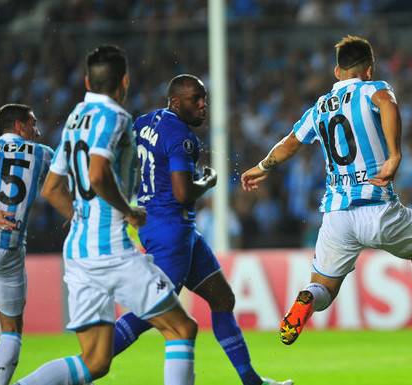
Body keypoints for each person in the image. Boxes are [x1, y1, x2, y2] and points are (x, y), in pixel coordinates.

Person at [241, 35, 412, 345]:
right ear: (369, 69)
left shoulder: (320, 106)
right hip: (378, 209)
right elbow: (387, 103)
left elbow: (290, 143)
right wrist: (394, 155)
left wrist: (262, 166)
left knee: (323, 288)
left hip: (337, 216)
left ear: (337, 72)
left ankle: (306, 300)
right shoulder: (374, 89)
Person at [15, 45, 198, 385]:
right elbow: (98, 174)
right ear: (124, 81)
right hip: (111, 250)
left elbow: (52, 188)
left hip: (77, 254)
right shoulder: (115, 117)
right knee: (182, 328)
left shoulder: (74, 119)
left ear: (86, 80)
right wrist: (127, 211)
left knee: (96, 361)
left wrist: (80, 215)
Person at [111, 74, 292, 385]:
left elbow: (124, 159)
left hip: (171, 228)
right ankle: (89, 361)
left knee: (222, 299)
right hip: (171, 235)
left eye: (203, 98)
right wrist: (207, 182)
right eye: (196, 99)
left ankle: (251, 380)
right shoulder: (181, 136)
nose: (202, 105)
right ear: (176, 101)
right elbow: (183, 193)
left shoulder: (144, 122)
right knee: (151, 313)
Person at [0, 104, 53, 385]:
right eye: (32, 123)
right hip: (11, 249)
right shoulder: (42, 154)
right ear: (19, 126)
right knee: (11, 328)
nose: (37, 130)